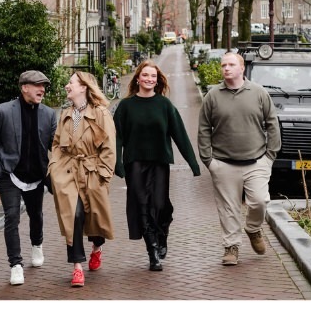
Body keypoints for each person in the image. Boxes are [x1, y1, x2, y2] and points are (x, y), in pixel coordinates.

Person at [113, 59, 201, 272]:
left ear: (158, 80)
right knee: (141, 206)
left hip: (159, 162)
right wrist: (117, 163)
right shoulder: (126, 106)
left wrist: (193, 163)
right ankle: (152, 251)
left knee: (160, 205)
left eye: (153, 76)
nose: (149, 79)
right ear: (138, 78)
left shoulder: (164, 105)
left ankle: (162, 235)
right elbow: (116, 137)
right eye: (145, 75)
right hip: (134, 163)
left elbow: (180, 134)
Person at [197, 50, 281, 267]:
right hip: (223, 163)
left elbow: (272, 124)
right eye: (223, 65)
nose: (226, 68)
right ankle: (231, 247)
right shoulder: (212, 96)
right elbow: (204, 128)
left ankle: (253, 229)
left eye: (231, 65)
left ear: (242, 68)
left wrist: (270, 156)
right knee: (229, 208)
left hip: (257, 161)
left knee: (260, 201)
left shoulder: (259, 93)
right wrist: (209, 161)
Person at [0, 68, 59, 287]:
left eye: (44, 86)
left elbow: (57, 144)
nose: (42, 90)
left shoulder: (48, 114)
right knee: (12, 218)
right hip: (10, 174)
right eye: (38, 85)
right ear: (24, 87)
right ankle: (15, 264)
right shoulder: (4, 111)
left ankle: (37, 244)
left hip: (36, 175)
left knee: (36, 215)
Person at [49, 70, 116, 288]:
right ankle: (77, 266)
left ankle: (97, 247)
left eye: (71, 83)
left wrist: (103, 176)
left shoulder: (101, 114)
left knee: (94, 218)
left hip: (92, 172)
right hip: (68, 172)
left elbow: (109, 148)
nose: (67, 86)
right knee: (74, 215)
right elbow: (57, 143)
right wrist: (54, 168)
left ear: (83, 87)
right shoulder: (65, 114)